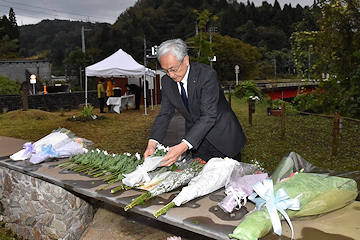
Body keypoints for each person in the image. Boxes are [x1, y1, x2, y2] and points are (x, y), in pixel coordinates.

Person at [144, 38, 246, 166]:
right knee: (200, 177)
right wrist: (152, 144)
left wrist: (182, 147)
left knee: (227, 179)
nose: (170, 75)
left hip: (222, 136)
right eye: (166, 70)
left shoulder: (206, 75)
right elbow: (164, 114)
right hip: (196, 140)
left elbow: (208, 116)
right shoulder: (166, 82)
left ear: (185, 60)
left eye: (173, 69)